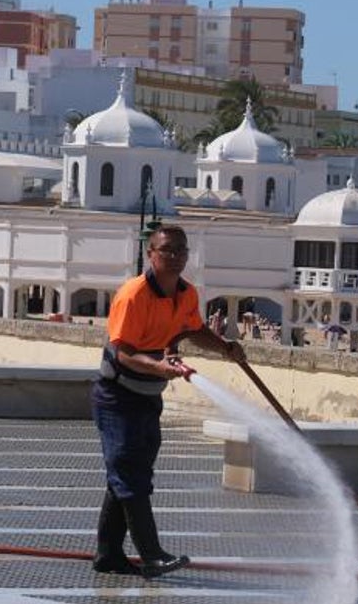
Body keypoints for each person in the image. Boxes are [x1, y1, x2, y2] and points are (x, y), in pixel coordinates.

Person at [92, 225, 246, 578]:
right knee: (129, 474)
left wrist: (225, 348)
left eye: (180, 250)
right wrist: (159, 366)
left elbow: (193, 329)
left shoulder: (186, 294)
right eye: (166, 250)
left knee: (130, 473)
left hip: (148, 396)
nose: (175, 256)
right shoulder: (133, 295)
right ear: (151, 254)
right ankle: (152, 555)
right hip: (117, 397)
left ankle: (108, 555)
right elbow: (124, 352)